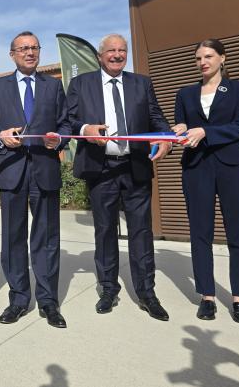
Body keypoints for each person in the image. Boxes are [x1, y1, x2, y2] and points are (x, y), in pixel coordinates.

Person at [66, 33, 171, 321]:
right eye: (111, 50)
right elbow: (69, 120)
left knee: (141, 232)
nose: (116, 55)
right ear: (100, 56)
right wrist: (86, 129)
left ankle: (147, 292)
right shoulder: (81, 83)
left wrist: (165, 137)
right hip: (101, 169)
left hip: (135, 166)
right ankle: (108, 289)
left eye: (121, 50)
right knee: (105, 231)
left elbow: (157, 117)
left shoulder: (141, 83)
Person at [0, 31, 71, 328]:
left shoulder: (53, 86)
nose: (30, 53)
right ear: (12, 54)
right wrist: (0, 135)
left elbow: (65, 122)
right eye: (23, 48)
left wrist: (58, 140)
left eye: (35, 48)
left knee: (47, 240)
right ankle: (19, 299)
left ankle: (48, 302)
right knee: (13, 239)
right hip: (12, 170)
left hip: (44, 171)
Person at [172, 38, 239, 324]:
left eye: (208, 56)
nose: (203, 62)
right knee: (200, 233)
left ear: (222, 58)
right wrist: (180, 128)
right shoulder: (184, 93)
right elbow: (182, 126)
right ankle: (207, 296)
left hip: (234, 168)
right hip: (197, 168)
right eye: (198, 58)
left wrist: (205, 132)